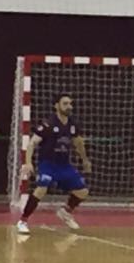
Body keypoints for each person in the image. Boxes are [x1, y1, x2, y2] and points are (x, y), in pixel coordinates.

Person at [18, 94, 91, 235]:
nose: (69, 106)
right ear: (56, 106)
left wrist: (85, 160)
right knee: (41, 188)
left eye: (70, 103)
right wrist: (28, 163)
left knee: (83, 191)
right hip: (48, 164)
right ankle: (23, 220)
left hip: (64, 165)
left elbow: (78, 143)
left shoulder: (72, 124)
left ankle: (65, 212)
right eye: (65, 103)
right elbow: (32, 143)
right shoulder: (49, 123)